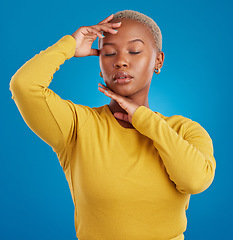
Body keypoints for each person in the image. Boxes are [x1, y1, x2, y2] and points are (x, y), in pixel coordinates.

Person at [10, 10, 216, 240]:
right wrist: (70, 45)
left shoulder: (185, 131)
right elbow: (24, 86)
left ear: (158, 60)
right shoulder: (77, 126)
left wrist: (144, 119)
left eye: (134, 51)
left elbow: (195, 181)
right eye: (108, 53)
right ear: (100, 64)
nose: (120, 61)